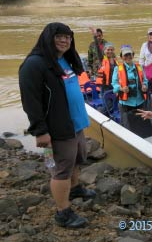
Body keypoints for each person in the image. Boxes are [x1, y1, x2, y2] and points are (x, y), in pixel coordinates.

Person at [19, 22, 95, 228]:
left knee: (77, 158)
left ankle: (76, 188)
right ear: (47, 38)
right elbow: (30, 101)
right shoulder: (34, 64)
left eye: (68, 37)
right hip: (57, 128)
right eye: (59, 36)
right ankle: (63, 212)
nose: (64, 40)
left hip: (76, 124)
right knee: (61, 169)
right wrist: (40, 131)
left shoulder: (64, 60)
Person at [112, 45, 149, 130]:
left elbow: (145, 80)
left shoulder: (139, 67)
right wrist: (121, 88)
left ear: (133, 55)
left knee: (141, 126)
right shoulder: (117, 69)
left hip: (140, 101)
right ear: (121, 57)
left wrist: (144, 86)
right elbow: (114, 85)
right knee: (127, 127)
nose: (128, 57)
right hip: (126, 104)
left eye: (130, 54)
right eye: (125, 55)